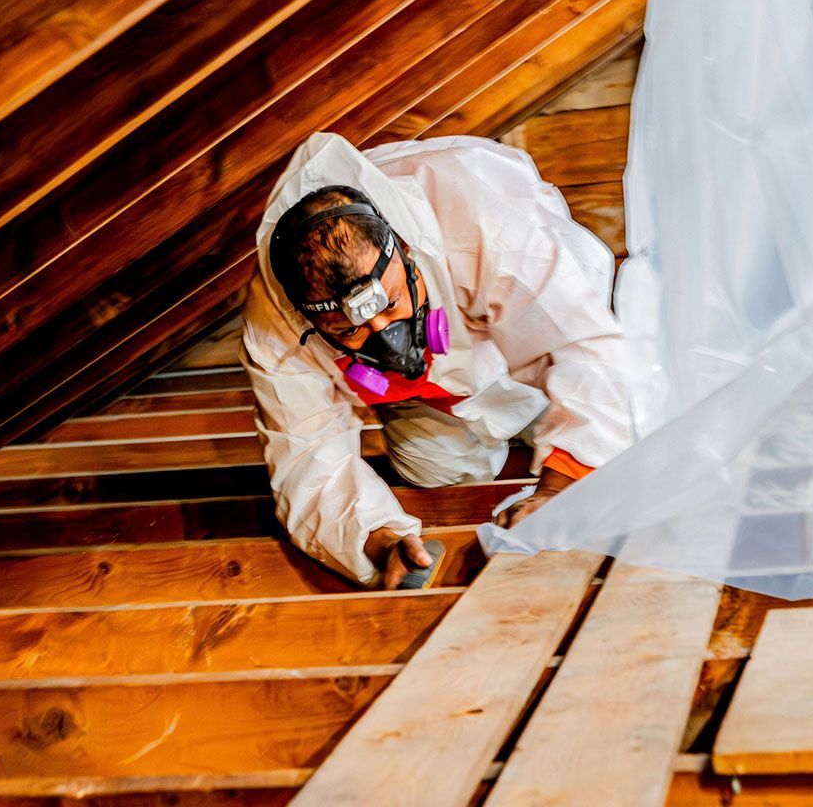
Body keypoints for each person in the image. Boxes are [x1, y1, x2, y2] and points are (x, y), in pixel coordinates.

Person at [242, 132, 635, 588]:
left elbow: (589, 347)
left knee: (595, 422)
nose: (385, 341)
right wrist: (378, 540)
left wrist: (557, 489)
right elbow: (306, 454)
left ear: (407, 254)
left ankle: (548, 428)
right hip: (423, 395)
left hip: (515, 343)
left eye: (390, 306)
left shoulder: (481, 220)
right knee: (440, 471)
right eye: (349, 331)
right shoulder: (273, 322)